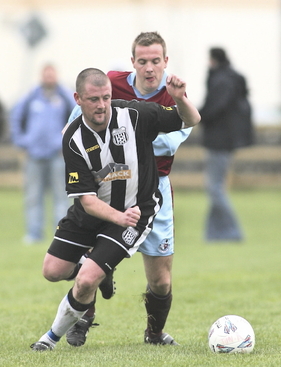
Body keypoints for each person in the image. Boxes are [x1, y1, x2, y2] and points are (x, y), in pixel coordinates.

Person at [30, 68, 200, 351]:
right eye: (93, 99)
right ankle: (99, 268)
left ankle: (49, 339)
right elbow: (86, 200)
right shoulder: (72, 138)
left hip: (135, 212)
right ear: (78, 99)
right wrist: (118, 216)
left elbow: (191, 119)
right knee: (52, 270)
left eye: (106, 98)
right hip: (95, 211)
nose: (101, 105)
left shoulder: (135, 115)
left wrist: (180, 99)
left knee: (86, 281)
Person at [65, 32, 193, 347]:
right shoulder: (111, 85)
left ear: (166, 62)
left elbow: (166, 143)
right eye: (142, 61)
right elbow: (76, 122)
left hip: (154, 189)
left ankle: (154, 333)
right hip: (109, 181)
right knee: (89, 262)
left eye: (155, 61)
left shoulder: (175, 98)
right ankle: (83, 319)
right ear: (132, 61)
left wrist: (118, 132)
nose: (149, 68)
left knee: (160, 280)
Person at [10, 64, 75, 243]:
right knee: (33, 196)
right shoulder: (31, 96)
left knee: (61, 196)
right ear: (41, 76)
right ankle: (33, 234)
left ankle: (60, 234)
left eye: (51, 73)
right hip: (34, 155)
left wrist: (67, 144)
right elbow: (15, 117)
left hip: (58, 155)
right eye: (46, 74)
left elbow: (76, 118)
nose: (49, 77)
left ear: (56, 75)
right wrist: (23, 142)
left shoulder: (64, 96)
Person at [198, 47, 254, 242]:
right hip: (228, 140)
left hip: (219, 140)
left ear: (213, 59)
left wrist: (197, 116)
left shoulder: (221, 80)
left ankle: (233, 232)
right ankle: (213, 233)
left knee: (215, 188)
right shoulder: (232, 78)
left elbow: (214, 108)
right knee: (216, 187)